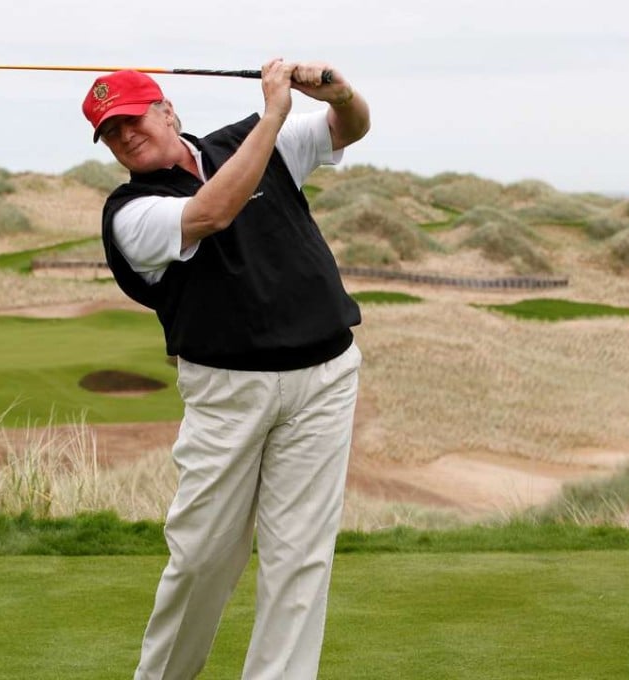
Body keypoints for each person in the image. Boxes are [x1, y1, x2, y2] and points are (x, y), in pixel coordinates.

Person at [81, 58, 370, 679]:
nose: (125, 135)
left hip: (324, 379)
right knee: (202, 558)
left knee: (300, 560)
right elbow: (213, 211)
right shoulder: (130, 213)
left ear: (167, 111)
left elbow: (348, 128)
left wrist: (340, 94)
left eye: (132, 119)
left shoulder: (247, 140)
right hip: (228, 394)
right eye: (110, 132)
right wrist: (274, 114)